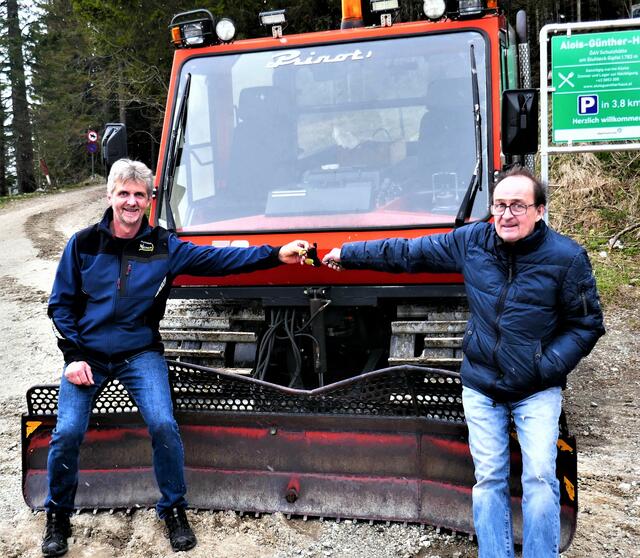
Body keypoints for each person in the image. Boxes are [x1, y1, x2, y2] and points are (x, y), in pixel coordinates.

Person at [322, 166, 605, 558]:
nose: (506, 215)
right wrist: (350, 254)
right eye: (500, 205)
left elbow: (587, 324)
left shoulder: (567, 258)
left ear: (540, 211)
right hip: (482, 386)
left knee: (540, 478)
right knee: (489, 479)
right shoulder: (473, 241)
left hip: (536, 389)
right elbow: (409, 252)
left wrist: (548, 366)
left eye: (518, 206)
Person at [42, 158, 309, 557]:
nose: (131, 202)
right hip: (87, 357)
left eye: (139, 195)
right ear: (109, 196)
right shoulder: (82, 244)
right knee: (67, 433)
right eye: (123, 193)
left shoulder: (165, 246)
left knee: (164, 424)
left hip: (139, 353)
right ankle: (58, 515)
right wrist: (75, 356)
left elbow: (221, 261)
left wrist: (275, 254)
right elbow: (59, 307)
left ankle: (173, 510)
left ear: (150, 199)